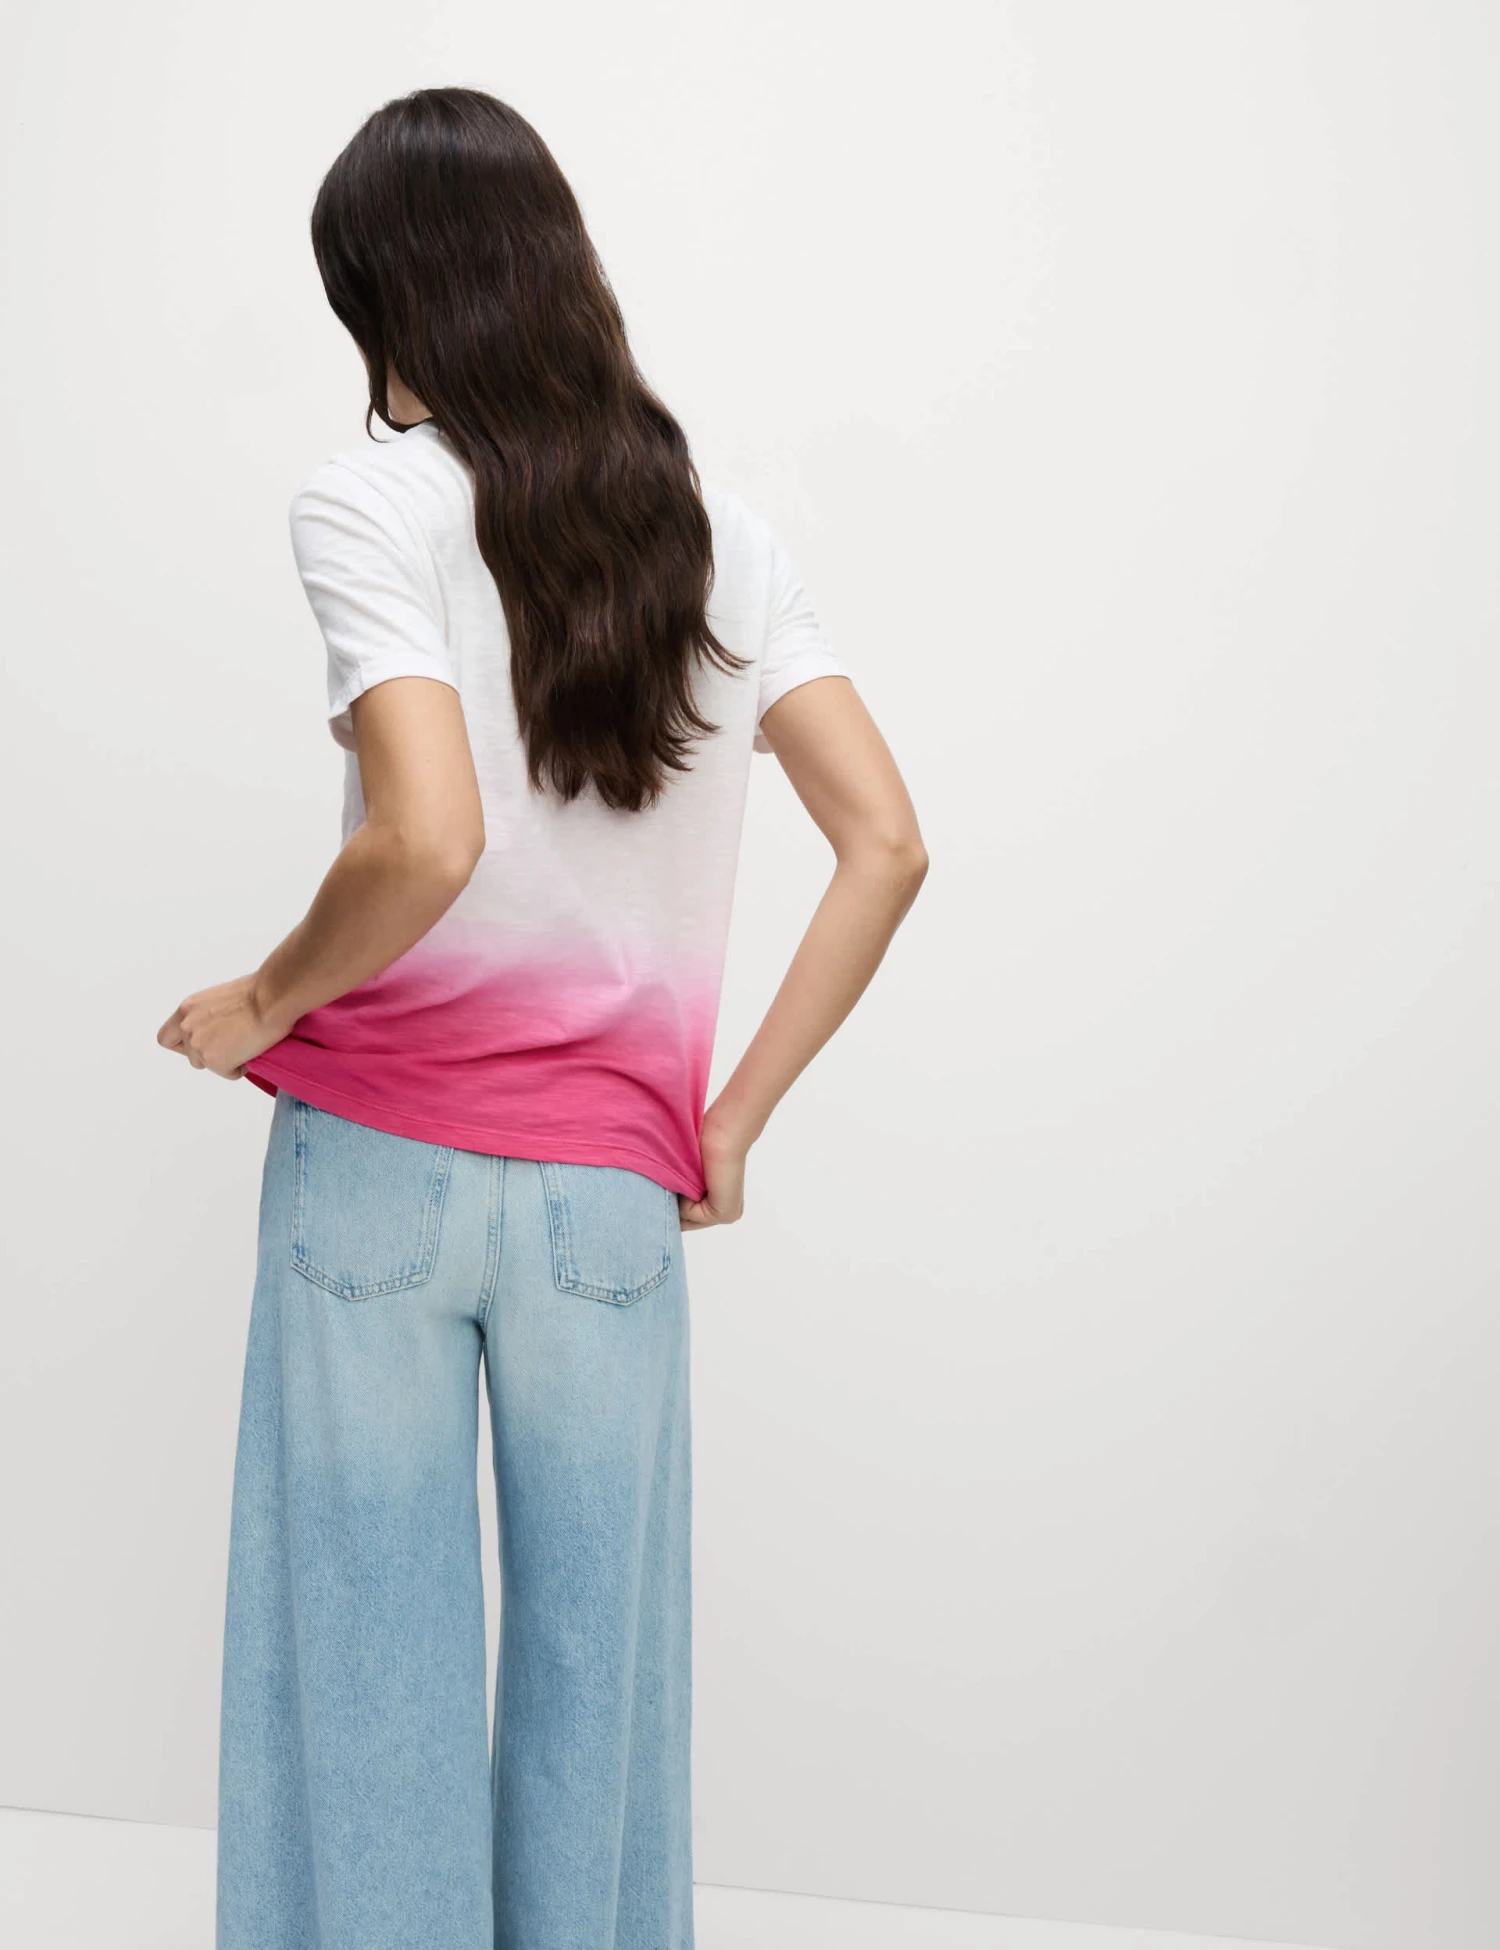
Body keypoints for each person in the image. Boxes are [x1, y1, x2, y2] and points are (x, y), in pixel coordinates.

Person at [157, 86, 926, 1950]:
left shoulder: (369, 503)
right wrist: (728, 1119)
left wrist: (263, 999)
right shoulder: (722, 541)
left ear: (385, 297)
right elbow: (888, 843)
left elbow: (426, 834)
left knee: (367, 1681)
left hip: (373, 1175)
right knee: (605, 1694)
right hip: (607, 1200)